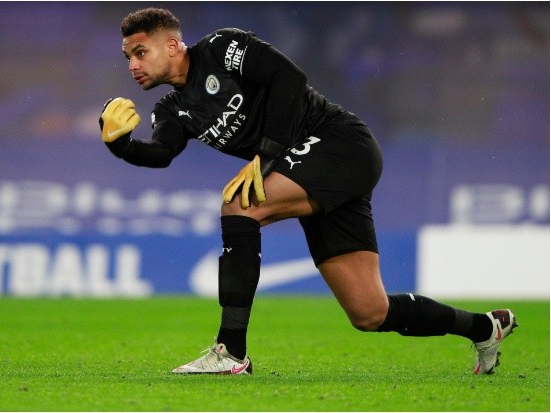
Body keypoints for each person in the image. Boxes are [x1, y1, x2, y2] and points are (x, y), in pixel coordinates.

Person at [99, 7, 517, 375]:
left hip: (340, 143)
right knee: (369, 312)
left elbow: (288, 78)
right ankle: (484, 327)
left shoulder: (222, 48)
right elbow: (160, 153)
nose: (133, 65)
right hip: (315, 170)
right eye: (128, 58)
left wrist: (265, 155)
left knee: (238, 206)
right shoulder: (172, 109)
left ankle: (231, 353)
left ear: (172, 46)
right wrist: (119, 145)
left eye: (141, 53)